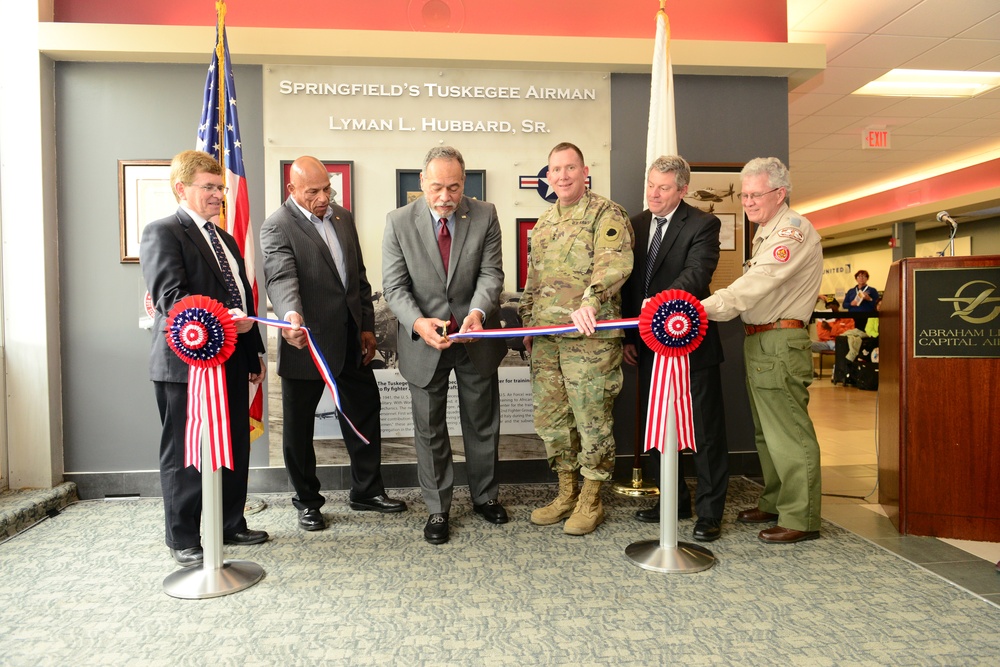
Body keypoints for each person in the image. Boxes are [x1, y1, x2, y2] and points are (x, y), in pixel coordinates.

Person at [260, 156, 406, 533]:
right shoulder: (277, 226)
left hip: (349, 340)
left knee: (364, 412)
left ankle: (367, 491)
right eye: (314, 192)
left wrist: (367, 328)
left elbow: (357, 278)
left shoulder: (342, 218)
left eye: (328, 188)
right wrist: (291, 315)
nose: (324, 197)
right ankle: (307, 502)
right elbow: (281, 279)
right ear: (291, 190)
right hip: (305, 342)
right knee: (298, 429)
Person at [140, 150, 269, 567]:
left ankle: (230, 522)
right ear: (182, 188)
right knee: (186, 452)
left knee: (234, 444)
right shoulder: (163, 233)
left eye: (220, 187)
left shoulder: (226, 239)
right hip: (187, 368)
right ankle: (182, 537)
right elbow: (172, 299)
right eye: (209, 188)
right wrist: (227, 324)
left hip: (231, 361)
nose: (218, 195)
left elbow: (241, 299)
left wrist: (253, 353)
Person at [382, 146, 508, 545]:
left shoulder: (485, 214)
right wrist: (419, 323)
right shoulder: (398, 222)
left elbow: (491, 274)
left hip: (474, 337)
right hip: (424, 343)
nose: (445, 197)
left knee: (482, 423)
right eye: (437, 187)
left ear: (464, 183)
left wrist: (479, 313)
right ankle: (438, 508)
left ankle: (485, 496)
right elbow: (394, 287)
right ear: (422, 182)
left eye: (453, 187)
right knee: (430, 428)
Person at [700, 157, 824, 545]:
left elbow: (756, 283)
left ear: (780, 194)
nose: (748, 202)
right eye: (746, 195)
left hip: (780, 340)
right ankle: (774, 500)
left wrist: (698, 308)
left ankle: (800, 516)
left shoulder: (792, 231)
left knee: (788, 431)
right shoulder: (766, 231)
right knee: (765, 433)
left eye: (756, 194)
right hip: (759, 337)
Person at [519, 142, 634, 536]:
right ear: (547, 176)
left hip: (590, 337)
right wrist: (528, 326)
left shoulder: (606, 213)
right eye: (556, 169)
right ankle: (566, 492)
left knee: (591, 419)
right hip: (548, 339)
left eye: (571, 168)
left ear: (585, 171)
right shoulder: (545, 222)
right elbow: (534, 281)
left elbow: (614, 265)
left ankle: (592, 499)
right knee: (553, 421)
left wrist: (591, 301)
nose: (564, 175)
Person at [622, 155, 729, 542]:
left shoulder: (703, 224)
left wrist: (661, 309)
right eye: (651, 185)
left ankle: (710, 512)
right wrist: (632, 337)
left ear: (682, 190)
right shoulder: (634, 225)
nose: (654, 193)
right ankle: (674, 500)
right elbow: (629, 287)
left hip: (690, 346)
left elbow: (697, 274)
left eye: (663, 187)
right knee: (657, 427)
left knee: (704, 431)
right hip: (648, 346)